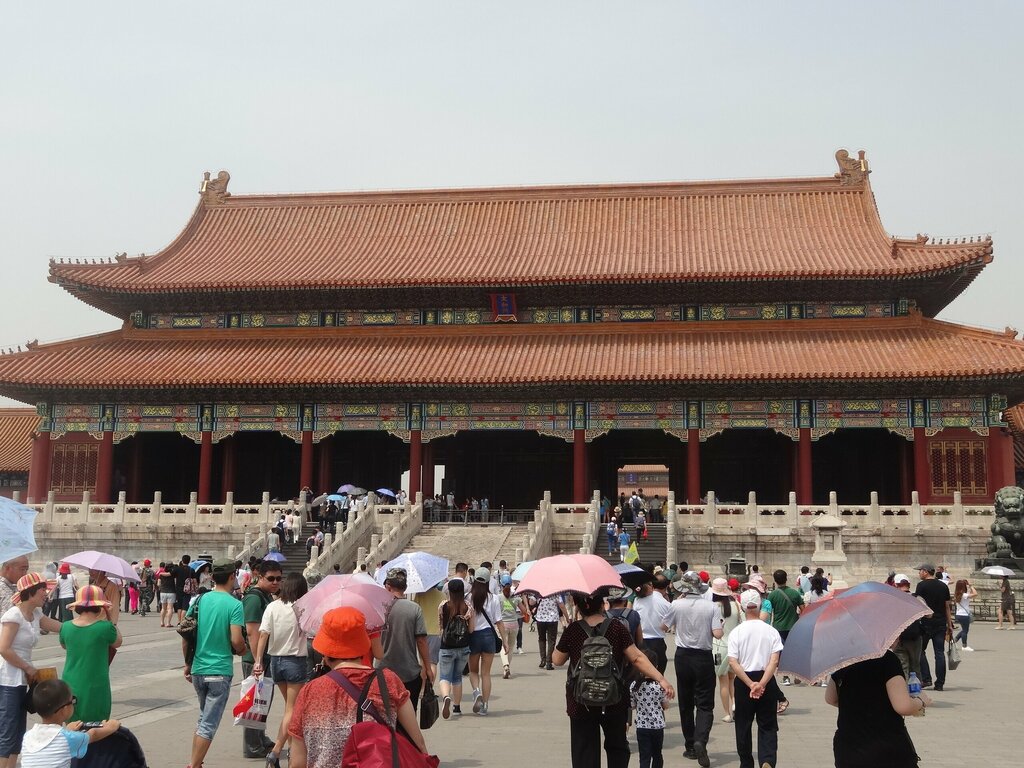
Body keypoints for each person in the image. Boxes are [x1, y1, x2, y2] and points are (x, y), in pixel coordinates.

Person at [288, 606, 428, 767]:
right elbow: (418, 743)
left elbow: (297, 762)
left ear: (325, 653)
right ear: (363, 644)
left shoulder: (309, 691)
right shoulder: (388, 681)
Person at [552, 591, 674, 768]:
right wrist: (661, 679)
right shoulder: (617, 628)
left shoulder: (573, 630)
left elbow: (557, 660)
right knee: (617, 747)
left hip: (580, 700)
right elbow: (637, 658)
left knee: (584, 749)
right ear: (602, 605)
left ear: (578, 607)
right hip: (614, 698)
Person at [183, 558, 245, 768]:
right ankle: (193, 764)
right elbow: (236, 640)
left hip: (199, 669)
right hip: (219, 671)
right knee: (208, 724)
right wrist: (243, 649)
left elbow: (186, 633)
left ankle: (197, 762)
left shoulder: (200, 600)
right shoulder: (235, 605)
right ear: (231, 576)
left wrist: (187, 663)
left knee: (203, 719)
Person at [825, 646, 931, 768]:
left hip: (848, 749)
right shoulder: (887, 659)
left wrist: (859, 706)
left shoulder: (845, 660)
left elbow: (830, 698)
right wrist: (921, 701)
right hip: (884, 747)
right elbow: (903, 706)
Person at [0, 573, 63, 768]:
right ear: (31, 592)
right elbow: (3, 648)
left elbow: (58, 626)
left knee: (18, 730)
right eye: (43, 589)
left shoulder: (35, 614)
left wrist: (81, 625)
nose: (46, 593)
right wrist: (27, 667)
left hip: (23, 678)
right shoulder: (13, 615)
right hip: (8, 679)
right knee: (8, 730)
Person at [662, 570, 723, 767]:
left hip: (683, 656)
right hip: (703, 656)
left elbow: (663, 627)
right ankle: (700, 740)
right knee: (705, 703)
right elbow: (718, 633)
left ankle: (689, 745)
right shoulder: (711, 606)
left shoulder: (677, 604)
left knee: (686, 702)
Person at [253, 573, 309, 768]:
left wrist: (258, 661)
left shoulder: (272, 606)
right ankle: (276, 751)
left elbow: (262, 636)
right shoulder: (301, 608)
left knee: (289, 709)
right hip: (295, 661)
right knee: (292, 710)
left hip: (276, 662)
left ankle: (292, 751)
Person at [727, 589, 784, 768]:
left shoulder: (736, 632)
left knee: (743, 724)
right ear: (759, 605)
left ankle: (746, 762)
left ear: (743, 607)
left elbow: (733, 662)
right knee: (768, 724)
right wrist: (762, 683)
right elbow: (774, 661)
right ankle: (767, 759)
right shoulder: (771, 631)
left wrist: (751, 683)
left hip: (745, 681)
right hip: (766, 679)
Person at [19, 679, 120, 768]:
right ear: (64, 710)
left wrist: (67, 731)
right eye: (72, 700)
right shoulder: (67, 738)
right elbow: (93, 734)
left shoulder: (27, 737)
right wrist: (111, 726)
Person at [59, 585, 121, 722]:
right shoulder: (105, 627)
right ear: (99, 606)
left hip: (70, 680)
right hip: (96, 681)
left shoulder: (66, 626)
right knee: (97, 723)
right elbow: (117, 642)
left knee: (73, 722)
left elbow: (64, 645)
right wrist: (111, 619)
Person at [376, 568, 433, 713]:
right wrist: (427, 667)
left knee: (385, 715)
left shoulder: (378, 609)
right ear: (405, 588)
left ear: (388, 586)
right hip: (409, 673)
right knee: (409, 715)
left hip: (384, 672)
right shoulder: (414, 609)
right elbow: (421, 641)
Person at [242, 560, 283, 758]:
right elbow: (252, 631)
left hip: (265, 656)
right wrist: (258, 661)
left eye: (278, 579)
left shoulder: (267, 596)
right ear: (260, 577)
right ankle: (252, 745)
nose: (275, 582)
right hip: (255, 659)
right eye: (271, 578)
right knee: (254, 702)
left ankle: (259, 737)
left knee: (263, 699)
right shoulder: (254, 598)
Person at [467, 567, 503, 714]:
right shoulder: (494, 598)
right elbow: (499, 621)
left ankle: (477, 692)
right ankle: (485, 706)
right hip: (489, 635)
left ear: (474, 580)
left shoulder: (468, 597)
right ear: (488, 581)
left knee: (473, 671)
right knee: (486, 673)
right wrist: (505, 641)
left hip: (473, 635)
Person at [437, 578, 474, 719]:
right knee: (457, 677)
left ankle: (446, 696)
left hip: (446, 646)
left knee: (445, 676)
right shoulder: (468, 606)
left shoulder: (443, 606)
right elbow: (471, 629)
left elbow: (440, 626)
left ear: (449, 591)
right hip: (463, 646)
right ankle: (457, 707)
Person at [914, 562, 952, 691]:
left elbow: (918, 604)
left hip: (925, 623)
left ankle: (926, 678)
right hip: (940, 623)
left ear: (925, 571)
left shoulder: (921, 586)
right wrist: (950, 624)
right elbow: (947, 606)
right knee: (939, 653)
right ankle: (940, 683)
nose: (919, 573)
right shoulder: (943, 585)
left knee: (920, 651)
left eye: (920, 571)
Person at [629, 647, 670, 768]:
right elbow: (666, 705)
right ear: (655, 667)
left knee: (644, 755)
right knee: (657, 754)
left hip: (642, 726)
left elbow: (632, 706)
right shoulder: (660, 686)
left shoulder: (634, 686)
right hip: (657, 725)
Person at [710, 578, 742, 723]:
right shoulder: (736, 604)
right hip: (735, 647)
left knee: (722, 680)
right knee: (732, 679)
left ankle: (727, 713)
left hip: (718, 648)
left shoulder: (713, 607)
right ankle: (735, 703)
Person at [765, 570, 803, 687]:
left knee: (782, 653)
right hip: (793, 626)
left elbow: (768, 612)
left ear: (775, 581)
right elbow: (803, 609)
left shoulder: (772, 595)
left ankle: (786, 677)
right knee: (794, 651)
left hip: (778, 627)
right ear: (786, 579)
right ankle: (797, 675)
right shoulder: (795, 594)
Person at [891, 574, 924, 680]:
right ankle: (916, 692)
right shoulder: (916, 598)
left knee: (902, 667)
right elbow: (929, 614)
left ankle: (904, 691)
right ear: (908, 585)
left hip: (898, 638)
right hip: (914, 637)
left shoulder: (893, 599)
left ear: (896, 585)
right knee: (915, 666)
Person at [497, 575, 523, 678]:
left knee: (503, 647)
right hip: (514, 624)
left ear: (501, 585)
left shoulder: (498, 597)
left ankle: (505, 665)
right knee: (511, 647)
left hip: (503, 624)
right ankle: (506, 669)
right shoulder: (516, 597)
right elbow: (523, 610)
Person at [534, 592, 568, 670]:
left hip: (540, 618)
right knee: (551, 641)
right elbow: (562, 606)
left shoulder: (539, 592)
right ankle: (549, 662)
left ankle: (543, 660)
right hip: (552, 619)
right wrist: (567, 617)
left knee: (542, 639)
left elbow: (531, 602)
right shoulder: (555, 593)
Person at [952, 578, 977, 651]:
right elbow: (975, 594)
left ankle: (954, 641)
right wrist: (971, 586)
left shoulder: (957, 594)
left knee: (964, 630)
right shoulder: (964, 595)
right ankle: (964, 646)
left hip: (959, 614)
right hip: (964, 615)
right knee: (965, 631)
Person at [157, 562, 177, 628]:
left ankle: (162, 622)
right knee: (170, 608)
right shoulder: (173, 575)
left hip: (163, 592)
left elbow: (158, 584)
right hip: (171, 592)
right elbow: (175, 582)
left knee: (163, 608)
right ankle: (168, 623)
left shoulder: (161, 574)